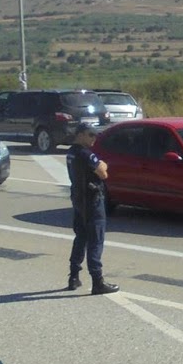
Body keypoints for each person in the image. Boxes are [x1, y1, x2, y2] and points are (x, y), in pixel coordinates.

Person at [65, 126, 118, 294]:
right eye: (90, 135)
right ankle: (97, 281)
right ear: (80, 135)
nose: (94, 138)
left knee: (80, 238)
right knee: (96, 241)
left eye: (95, 135)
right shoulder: (86, 154)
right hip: (92, 201)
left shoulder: (71, 152)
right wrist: (103, 164)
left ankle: (74, 276)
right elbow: (103, 174)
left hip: (78, 200)